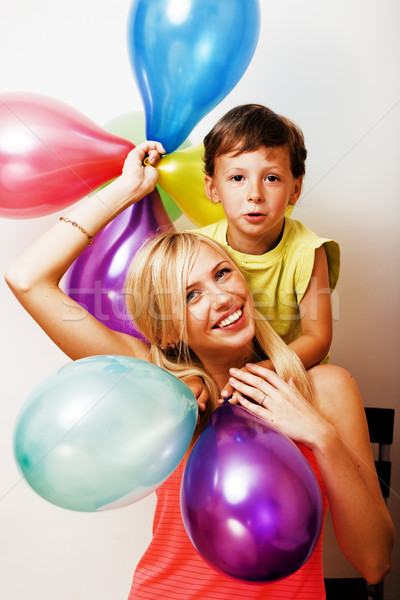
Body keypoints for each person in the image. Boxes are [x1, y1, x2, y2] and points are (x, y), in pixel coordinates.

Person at [5, 142, 393, 600]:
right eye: (190, 296)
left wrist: (319, 436)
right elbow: (27, 278)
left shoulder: (325, 389)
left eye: (223, 274)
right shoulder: (153, 384)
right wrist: (127, 190)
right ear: (168, 333)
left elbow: (375, 562)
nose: (222, 297)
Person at [197, 104, 340, 382]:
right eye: (237, 178)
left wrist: (263, 372)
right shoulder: (198, 247)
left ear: (294, 189)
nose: (255, 194)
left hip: (286, 372)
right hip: (220, 374)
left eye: (271, 178)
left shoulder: (307, 250)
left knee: (333, 379)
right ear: (213, 188)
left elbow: (318, 337)